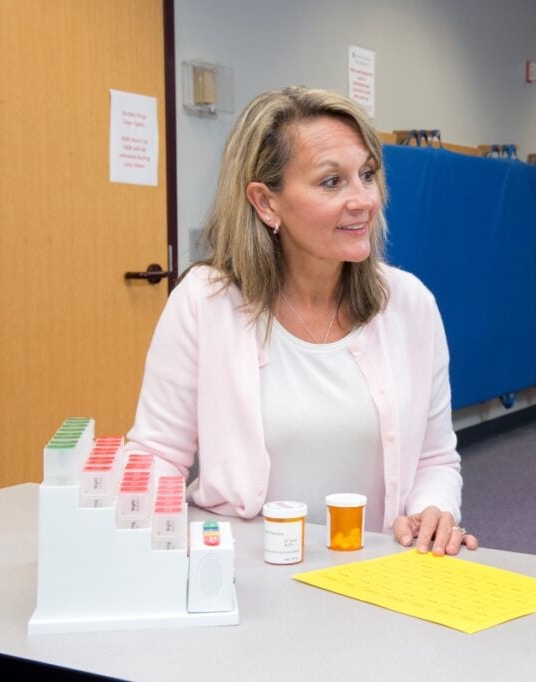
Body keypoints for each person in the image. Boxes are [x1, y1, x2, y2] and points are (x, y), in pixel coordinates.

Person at [126, 86, 477, 555]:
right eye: (331, 182)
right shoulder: (205, 302)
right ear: (266, 202)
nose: (363, 201)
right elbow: (158, 456)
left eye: (367, 175)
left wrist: (435, 510)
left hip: (371, 574)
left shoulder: (409, 304)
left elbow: (435, 458)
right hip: (244, 579)